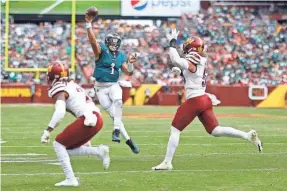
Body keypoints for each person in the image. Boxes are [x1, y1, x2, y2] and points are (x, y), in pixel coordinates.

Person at [152, 29, 263, 170]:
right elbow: (191, 74)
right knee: (215, 130)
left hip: (196, 99)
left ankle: (167, 162)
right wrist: (180, 72)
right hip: (204, 99)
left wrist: (172, 43)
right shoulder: (200, 59)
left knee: (175, 129)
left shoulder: (195, 57)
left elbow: (176, 60)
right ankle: (247, 135)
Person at [40, 61, 110, 187]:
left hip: (88, 120)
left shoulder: (60, 88)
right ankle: (98, 152)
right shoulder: (72, 85)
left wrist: (48, 130)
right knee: (66, 149)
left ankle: (71, 179)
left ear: (52, 77)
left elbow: (60, 111)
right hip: (96, 119)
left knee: (58, 144)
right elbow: (77, 109)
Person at [85, 10, 139, 154]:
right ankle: (128, 140)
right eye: (112, 41)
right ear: (107, 42)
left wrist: (131, 62)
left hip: (114, 85)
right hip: (100, 88)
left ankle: (115, 131)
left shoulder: (121, 55)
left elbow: (128, 71)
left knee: (118, 102)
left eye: (116, 42)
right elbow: (92, 41)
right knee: (115, 116)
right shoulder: (101, 51)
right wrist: (88, 24)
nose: (114, 44)